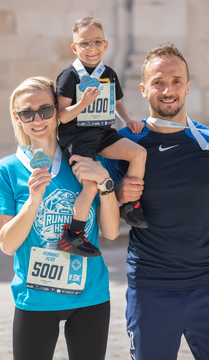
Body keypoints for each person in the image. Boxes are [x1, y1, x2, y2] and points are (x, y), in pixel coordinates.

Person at [0, 76, 120, 360]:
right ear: (17, 118)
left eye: (45, 110)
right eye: (27, 113)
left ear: (58, 111)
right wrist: (33, 201)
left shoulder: (88, 161)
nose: (37, 119)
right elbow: (6, 245)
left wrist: (106, 185)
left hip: (90, 294)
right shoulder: (7, 169)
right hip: (35, 298)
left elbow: (112, 233)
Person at [105, 42, 209, 360]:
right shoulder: (124, 143)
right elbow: (101, 216)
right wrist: (115, 193)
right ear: (144, 88)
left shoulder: (205, 142)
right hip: (150, 290)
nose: (168, 90)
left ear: (188, 87)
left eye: (176, 80)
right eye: (158, 82)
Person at [55, 16, 148, 259]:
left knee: (138, 153)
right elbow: (62, 116)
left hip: (103, 132)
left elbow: (117, 103)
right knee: (90, 185)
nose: (91, 48)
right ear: (75, 47)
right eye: (84, 43)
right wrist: (82, 103)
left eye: (96, 42)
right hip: (77, 136)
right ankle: (73, 235)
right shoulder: (69, 76)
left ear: (105, 45)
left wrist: (128, 120)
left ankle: (129, 205)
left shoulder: (108, 73)